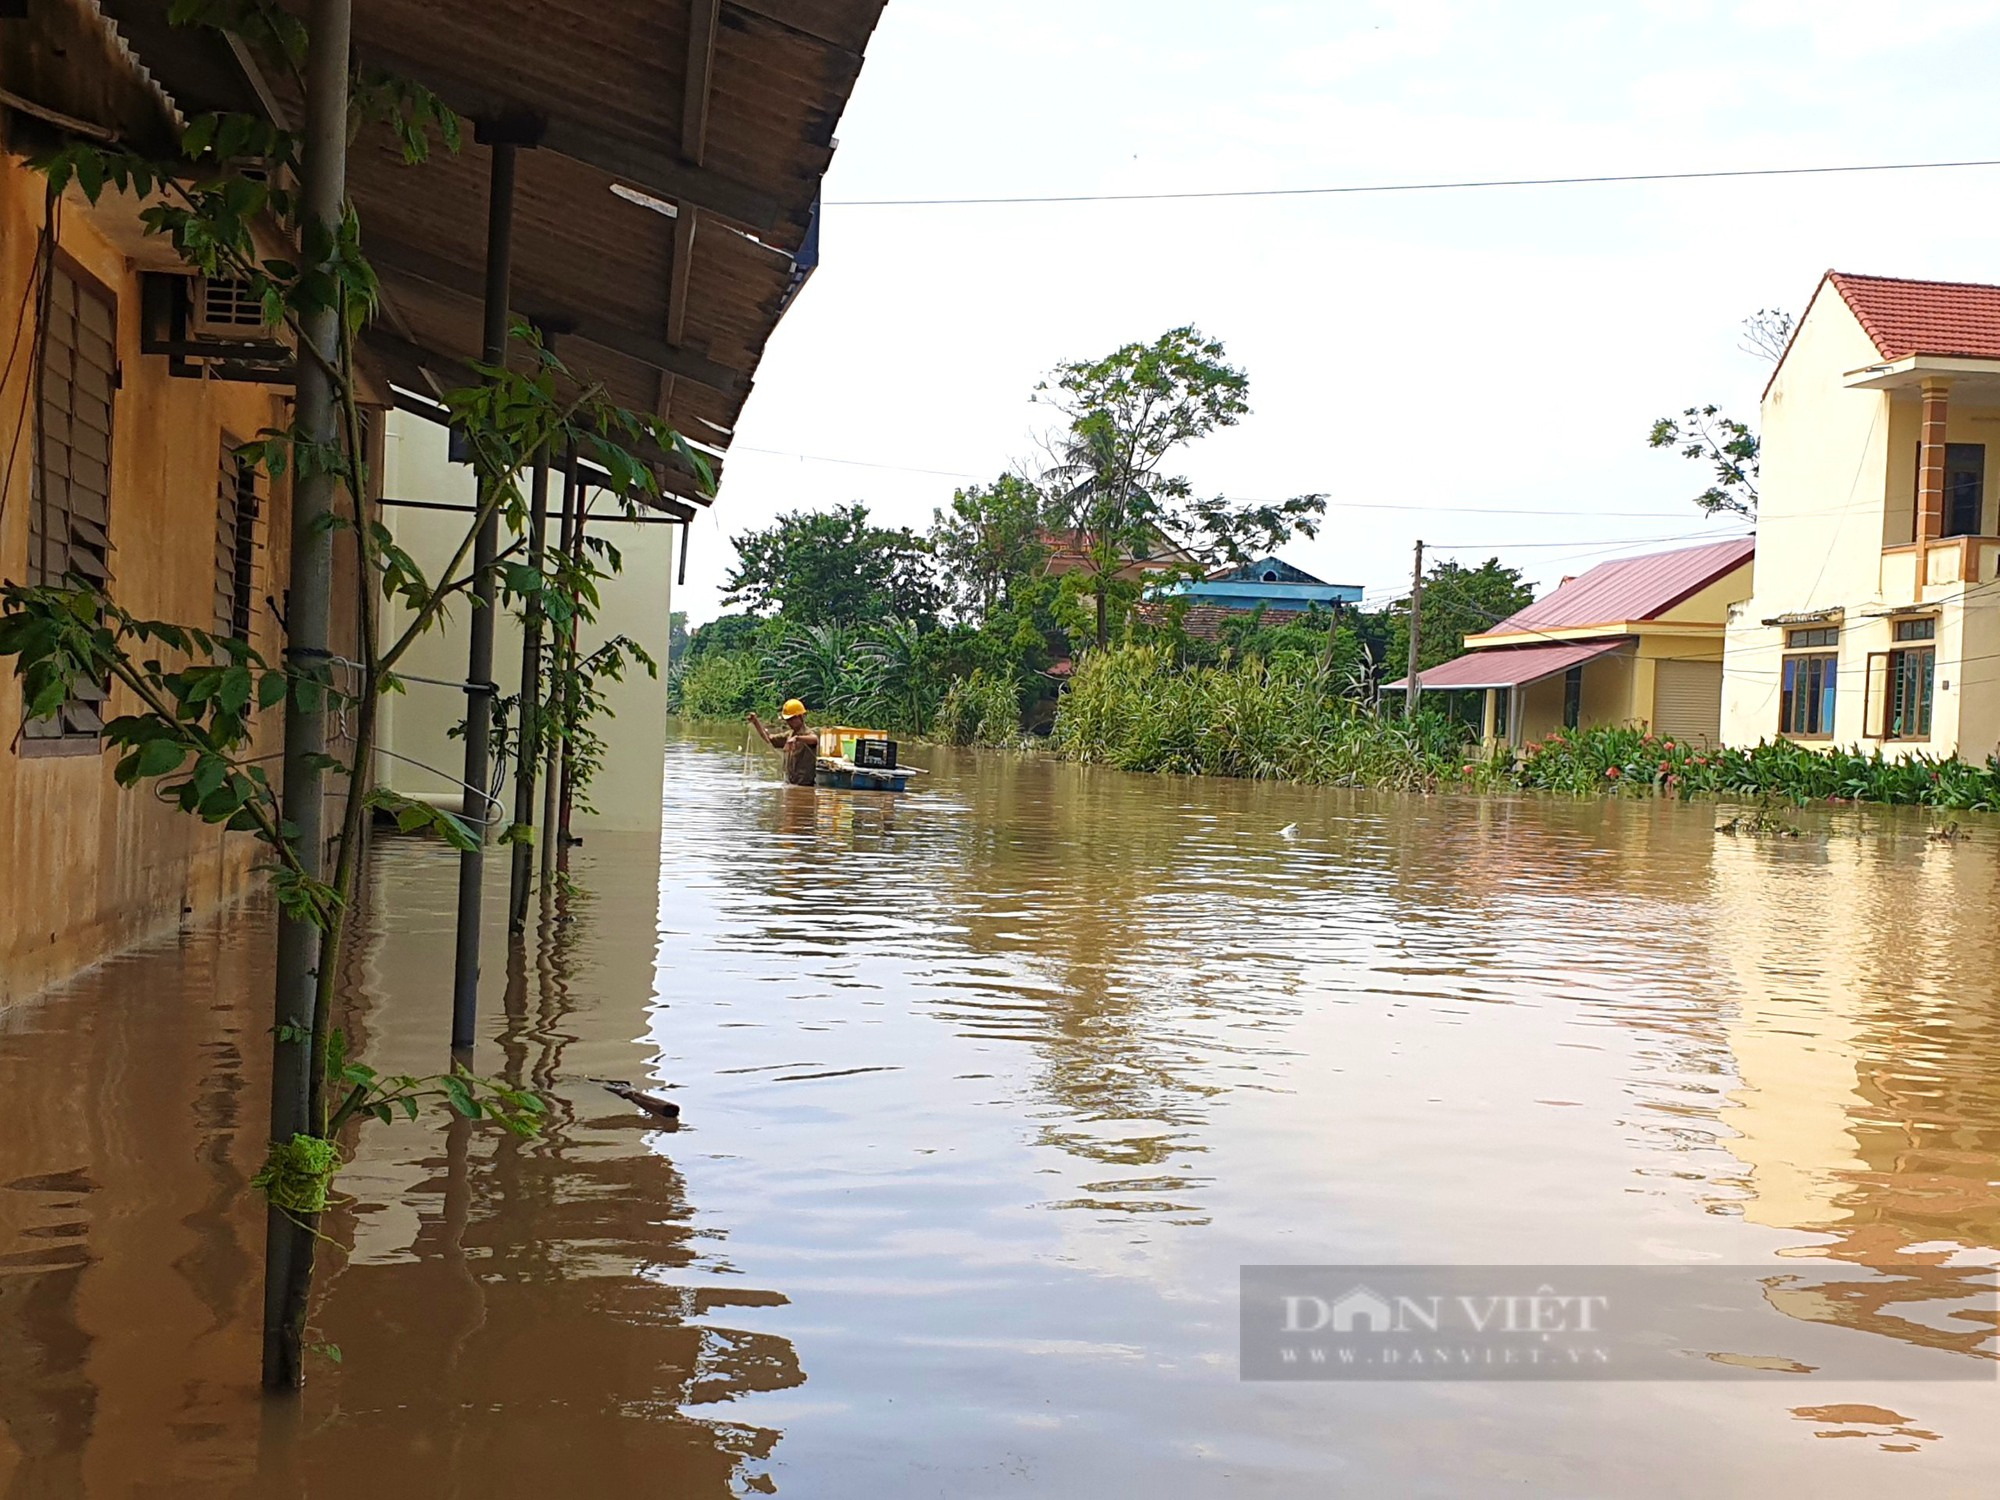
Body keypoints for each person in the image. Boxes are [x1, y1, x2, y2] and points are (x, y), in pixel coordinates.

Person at [748, 699, 820, 787]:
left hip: (805, 785)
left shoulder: (807, 734)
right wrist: (756, 722)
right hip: (790, 784)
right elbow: (769, 738)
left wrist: (797, 738)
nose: (789, 722)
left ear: (800, 717)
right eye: (788, 720)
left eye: (792, 719)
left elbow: (815, 739)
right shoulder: (789, 735)